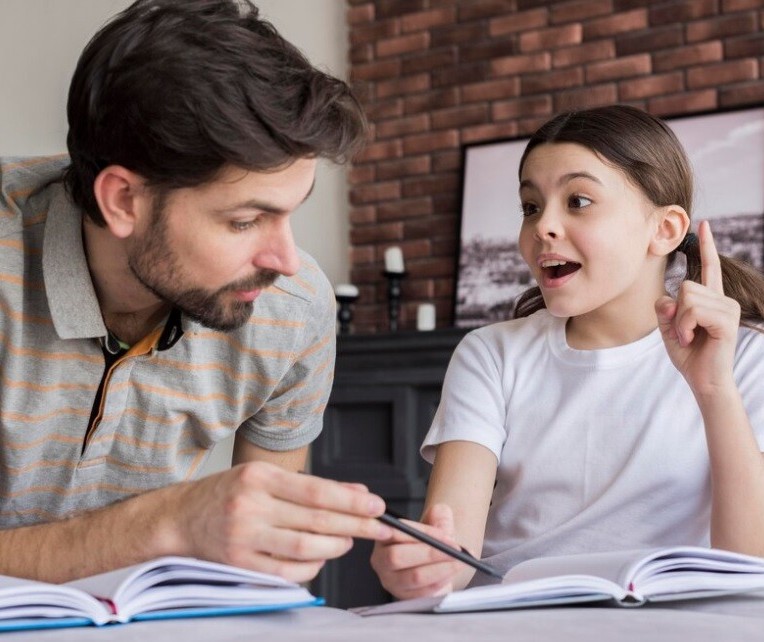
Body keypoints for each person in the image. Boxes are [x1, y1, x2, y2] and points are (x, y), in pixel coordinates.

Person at [0, 0, 395, 584]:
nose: (285, 261)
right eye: (243, 221)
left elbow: (269, 577)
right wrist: (165, 523)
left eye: (290, 213)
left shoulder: (293, 310)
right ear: (124, 201)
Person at [371, 104, 764, 599]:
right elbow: (454, 559)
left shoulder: (746, 359)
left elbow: (749, 568)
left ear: (664, 230)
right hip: (512, 621)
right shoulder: (491, 354)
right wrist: (417, 565)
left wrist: (714, 390)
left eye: (578, 201)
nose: (543, 227)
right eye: (530, 206)